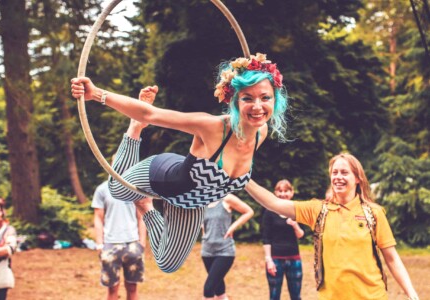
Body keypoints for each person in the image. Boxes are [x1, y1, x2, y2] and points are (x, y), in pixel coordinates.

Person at [71, 53, 288, 273]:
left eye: (265, 97)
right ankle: (135, 128)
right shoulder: (212, 127)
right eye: (247, 98)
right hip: (165, 176)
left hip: (191, 203)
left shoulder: (261, 132)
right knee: (117, 190)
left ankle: (147, 208)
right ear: (235, 101)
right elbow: (151, 113)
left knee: (168, 265)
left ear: (275, 99)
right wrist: (96, 93)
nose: (257, 106)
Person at [245, 153, 420, 300]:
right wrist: (243, 179)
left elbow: (392, 258)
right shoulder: (318, 210)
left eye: (344, 172)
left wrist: (411, 293)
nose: (338, 177)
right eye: (334, 172)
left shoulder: (374, 213)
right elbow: (273, 203)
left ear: (358, 178)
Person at [92, 155, 147, 300]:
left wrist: (142, 242)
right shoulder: (102, 189)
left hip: (133, 244)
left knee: (132, 288)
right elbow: (98, 217)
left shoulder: (135, 189)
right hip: (110, 245)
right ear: (111, 165)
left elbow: (141, 216)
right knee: (112, 290)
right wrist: (99, 244)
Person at [201, 194, 254, 300]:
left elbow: (249, 211)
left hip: (224, 251)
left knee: (208, 289)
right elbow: (204, 227)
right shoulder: (202, 201)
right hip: (207, 252)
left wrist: (232, 227)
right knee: (219, 290)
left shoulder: (227, 198)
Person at [262, 179, 304, 300]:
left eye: (286, 191)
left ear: (292, 192)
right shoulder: (269, 212)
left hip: (294, 258)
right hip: (275, 260)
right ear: (275, 193)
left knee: (296, 296)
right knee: (274, 296)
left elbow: (301, 235)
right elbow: (266, 237)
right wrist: (268, 260)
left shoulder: (297, 210)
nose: (283, 194)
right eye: (279, 191)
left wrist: (295, 224)